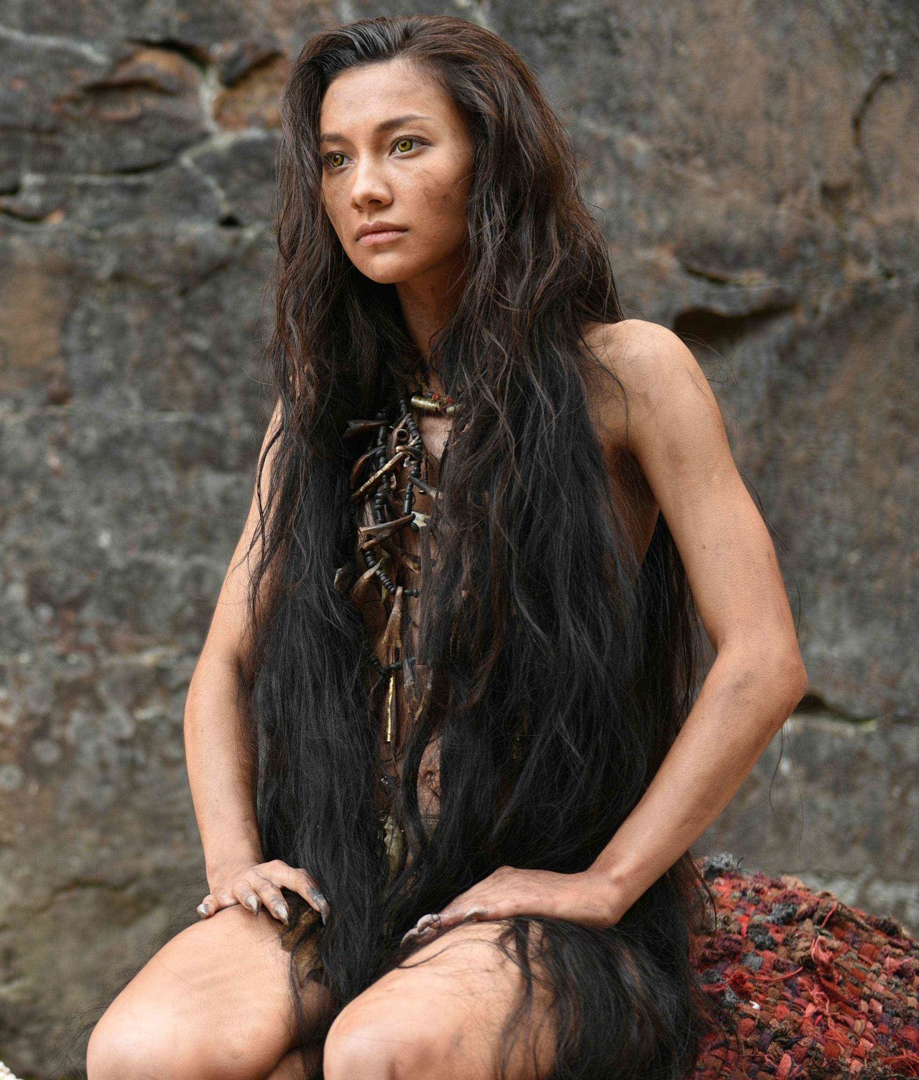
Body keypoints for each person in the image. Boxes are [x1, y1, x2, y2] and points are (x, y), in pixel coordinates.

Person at [85, 14, 805, 1080]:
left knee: (382, 1050)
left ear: (493, 159)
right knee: (141, 1053)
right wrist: (234, 862)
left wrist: (606, 885)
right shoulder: (318, 410)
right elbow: (225, 664)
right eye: (336, 159)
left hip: (536, 882)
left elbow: (763, 658)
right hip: (341, 878)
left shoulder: (629, 374)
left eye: (406, 145)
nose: (365, 188)